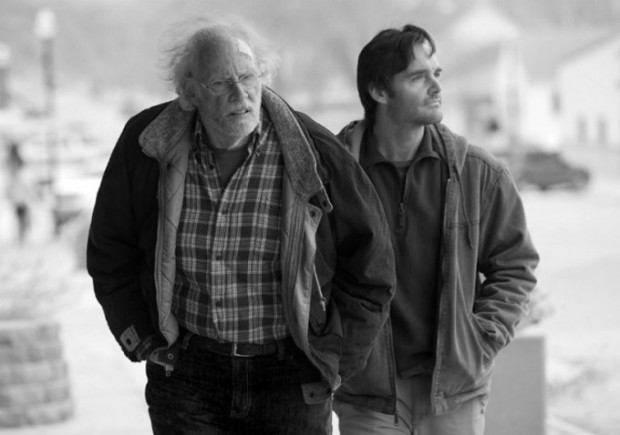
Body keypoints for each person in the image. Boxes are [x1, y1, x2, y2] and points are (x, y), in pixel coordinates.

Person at [86, 15, 395, 435]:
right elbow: (110, 250)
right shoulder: (148, 143)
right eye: (220, 83)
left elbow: (372, 266)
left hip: (289, 380)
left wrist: (335, 360)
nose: (240, 94)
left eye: (248, 77)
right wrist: (140, 337)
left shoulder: (314, 151)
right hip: (187, 376)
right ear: (190, 93)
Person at [332, 24, 540, 435]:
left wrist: (483, 337)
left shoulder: (479, 173)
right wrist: (334, 350)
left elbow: (515, 266)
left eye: (437, 74)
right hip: (368, 393)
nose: (436, 86)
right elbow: (308, 272)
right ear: (379, 91)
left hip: (454, 392)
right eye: (417, 77)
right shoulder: (334, 175)